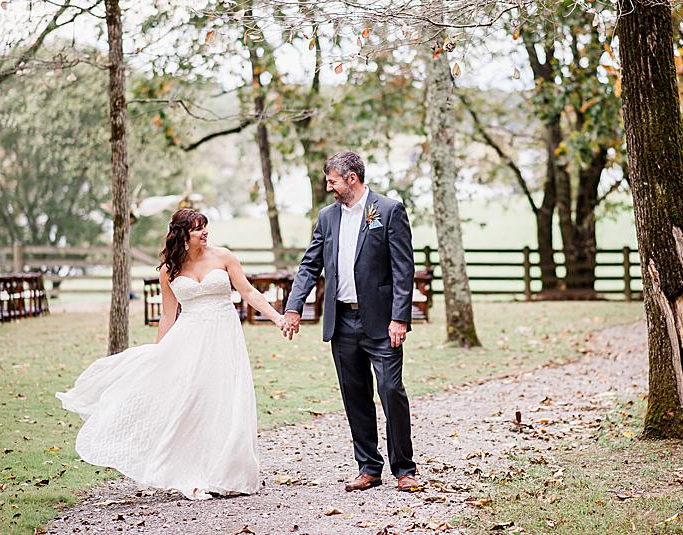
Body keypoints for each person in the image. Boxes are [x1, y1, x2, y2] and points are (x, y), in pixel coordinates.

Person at [57, 208, 285, 500]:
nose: (204, 232)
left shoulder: (224, 257)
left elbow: (249, 293)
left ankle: (228, 471)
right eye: (197, 228)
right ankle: (189, 467)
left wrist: (276, 318)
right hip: (188, 339)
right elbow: (168, 315)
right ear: (183, 235)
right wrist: (159, 352)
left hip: (223, 338)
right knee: (192, 401)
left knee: (226, 399)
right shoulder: (169, 270)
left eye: (205, 226)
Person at [283, 150, 420, 492]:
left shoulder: (388, 211)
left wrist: (399, 318)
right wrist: (293, 307)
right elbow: (310, 265)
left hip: (381, 322)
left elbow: (404, 271)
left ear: (351, 178)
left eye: (331, 181)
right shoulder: (327, 216)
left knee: (391, 390)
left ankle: (404, 469)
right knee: (355, 396)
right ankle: (369, 468)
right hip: (341, 321)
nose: (328, 186)